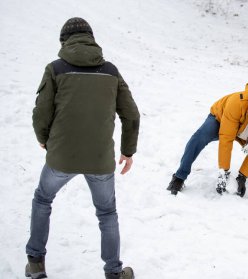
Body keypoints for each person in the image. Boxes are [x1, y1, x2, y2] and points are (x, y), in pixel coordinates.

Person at [25, 18, 139, 279]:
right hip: (100, 160)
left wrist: (44, 139)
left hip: (61, 157)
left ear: (64, 41)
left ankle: (35, 264)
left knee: (43, 199)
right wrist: (128, 151)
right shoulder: (110, 71)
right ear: (91, 38)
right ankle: (113, 273)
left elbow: (41, 113)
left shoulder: (54, 69)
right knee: (107, 213)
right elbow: (131, 114)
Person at [167, 77, 248, 197]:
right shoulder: (237, 102)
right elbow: (226, 138)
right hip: (222, 120)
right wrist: (224, 172)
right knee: (200, 136)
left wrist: (242, 177)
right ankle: (179, 176)